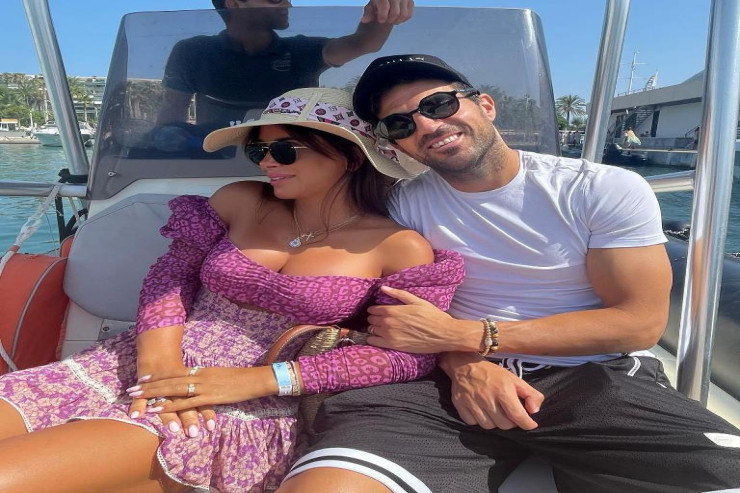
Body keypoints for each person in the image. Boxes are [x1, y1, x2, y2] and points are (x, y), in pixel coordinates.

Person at [278, 54, 740, 493]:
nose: (427, 126)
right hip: (445, 380)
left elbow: (638, 323)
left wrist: (469, 337)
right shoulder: (404, 205)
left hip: (593, 377)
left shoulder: (599, 188)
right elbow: (403, 318)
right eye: (400, 124)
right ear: (394, 143)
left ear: (485, 105)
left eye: (438, 104)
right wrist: (465, 365)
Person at [0, 87, 464, 493]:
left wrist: (259, 381)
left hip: (244, 400)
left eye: (284, 150)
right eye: (258, 150)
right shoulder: (241, 200)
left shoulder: (398, 246)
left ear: (350, 156)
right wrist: (159, 367)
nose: (266, 162)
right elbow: (170, 278)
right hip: (143, 358)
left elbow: (404, 356)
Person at [156, 0, 415, 129]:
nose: (288, 4)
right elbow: (172, 112)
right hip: (215, 158)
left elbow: (363, 43)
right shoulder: (193, 51)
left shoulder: (302, 50)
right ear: (233, 4)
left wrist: (385, 9)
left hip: (293, 156)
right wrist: (165, 142)